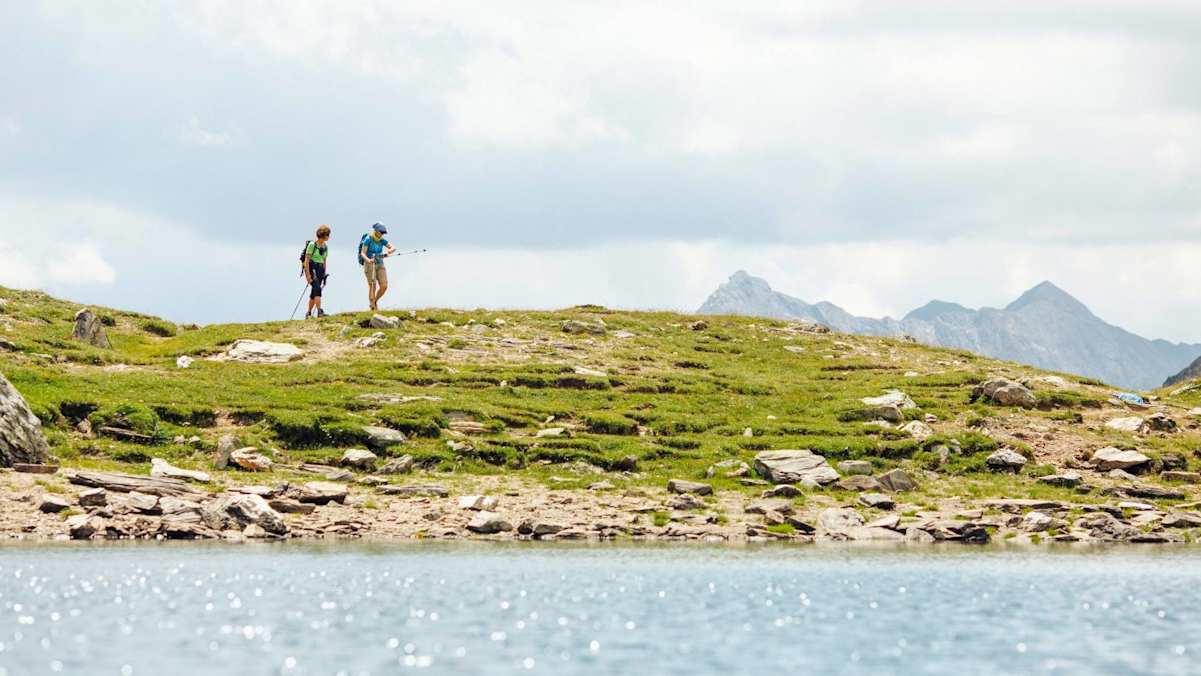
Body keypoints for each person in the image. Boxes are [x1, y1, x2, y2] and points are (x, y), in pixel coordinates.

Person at [360, 222, 396, 310]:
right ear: (376, 231)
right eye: (381, 232)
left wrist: (388, 252)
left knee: (384, 286)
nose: (382, 234)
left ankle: (375, 301)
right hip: (370, 264)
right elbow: (362, 253)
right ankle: (373, 306)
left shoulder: (381, 240)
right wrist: (369, 260)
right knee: (372, 285)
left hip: (380, 263)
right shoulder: (368, 239)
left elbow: (393, 247)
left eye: (384, 233)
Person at [303, 225, 331, 319]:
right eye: (327, 234)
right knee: (318, 289)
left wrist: (323, 274)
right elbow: (306, 260)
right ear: (323, 235)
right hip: (312, 268)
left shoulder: (325, 247)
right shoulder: (312, 245)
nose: (329, 236)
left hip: (320, 269)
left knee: (314, 292)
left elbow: (324, 261)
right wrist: (307, 275)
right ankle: (319, 311)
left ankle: (309, 313)